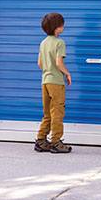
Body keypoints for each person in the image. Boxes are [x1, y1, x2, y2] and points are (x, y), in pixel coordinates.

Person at [34, 12, 73, 154]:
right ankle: (56, 142)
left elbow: (40, 63)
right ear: (57, 27)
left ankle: (41, 140)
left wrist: (48, 71)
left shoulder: (43, 43)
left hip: (45, 81)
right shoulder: (59, 42)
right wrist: (67, 73)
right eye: (62, 24)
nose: (63, 26)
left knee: (47, 113)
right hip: (56, 83)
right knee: (57, 112)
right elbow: (59, 63)